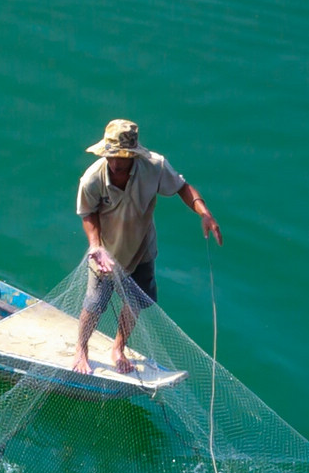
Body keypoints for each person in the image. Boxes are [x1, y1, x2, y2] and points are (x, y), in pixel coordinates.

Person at [73, 116, 220, 372]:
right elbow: (87, 213)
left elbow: (182, 187)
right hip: (105, 252)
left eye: (122, 159)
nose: (116, 164)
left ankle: (118, 347)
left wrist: (204, 213)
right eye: (111, 158)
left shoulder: (155, 166)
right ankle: (80, 349)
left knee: (135, 303)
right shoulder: (91, 180)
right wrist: (95, 246)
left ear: (133, 156)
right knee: (95, 303)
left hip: (141, 248)